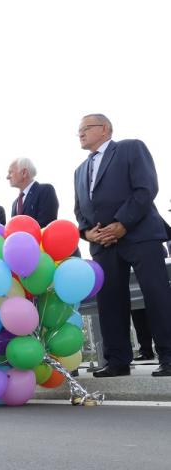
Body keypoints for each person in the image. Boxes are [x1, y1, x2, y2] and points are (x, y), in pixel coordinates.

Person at [72, 113, 171, 377]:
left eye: (85, 128)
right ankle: (117, 361)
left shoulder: (130, 148)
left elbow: (145, 188)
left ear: (104, 129)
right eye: (79, 130)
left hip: (140, 235)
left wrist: (122, 223)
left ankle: (169, 355)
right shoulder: (79, 171)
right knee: (110, 302)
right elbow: (80, 210)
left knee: (156, 294)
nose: (80, 133)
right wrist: (88, 233)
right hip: (103, 245)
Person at [7, 157, 59, 227]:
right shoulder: (15, 203)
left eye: (10, 172)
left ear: (24, 173)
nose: (7, 177)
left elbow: (45, 225)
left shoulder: (45, 191)